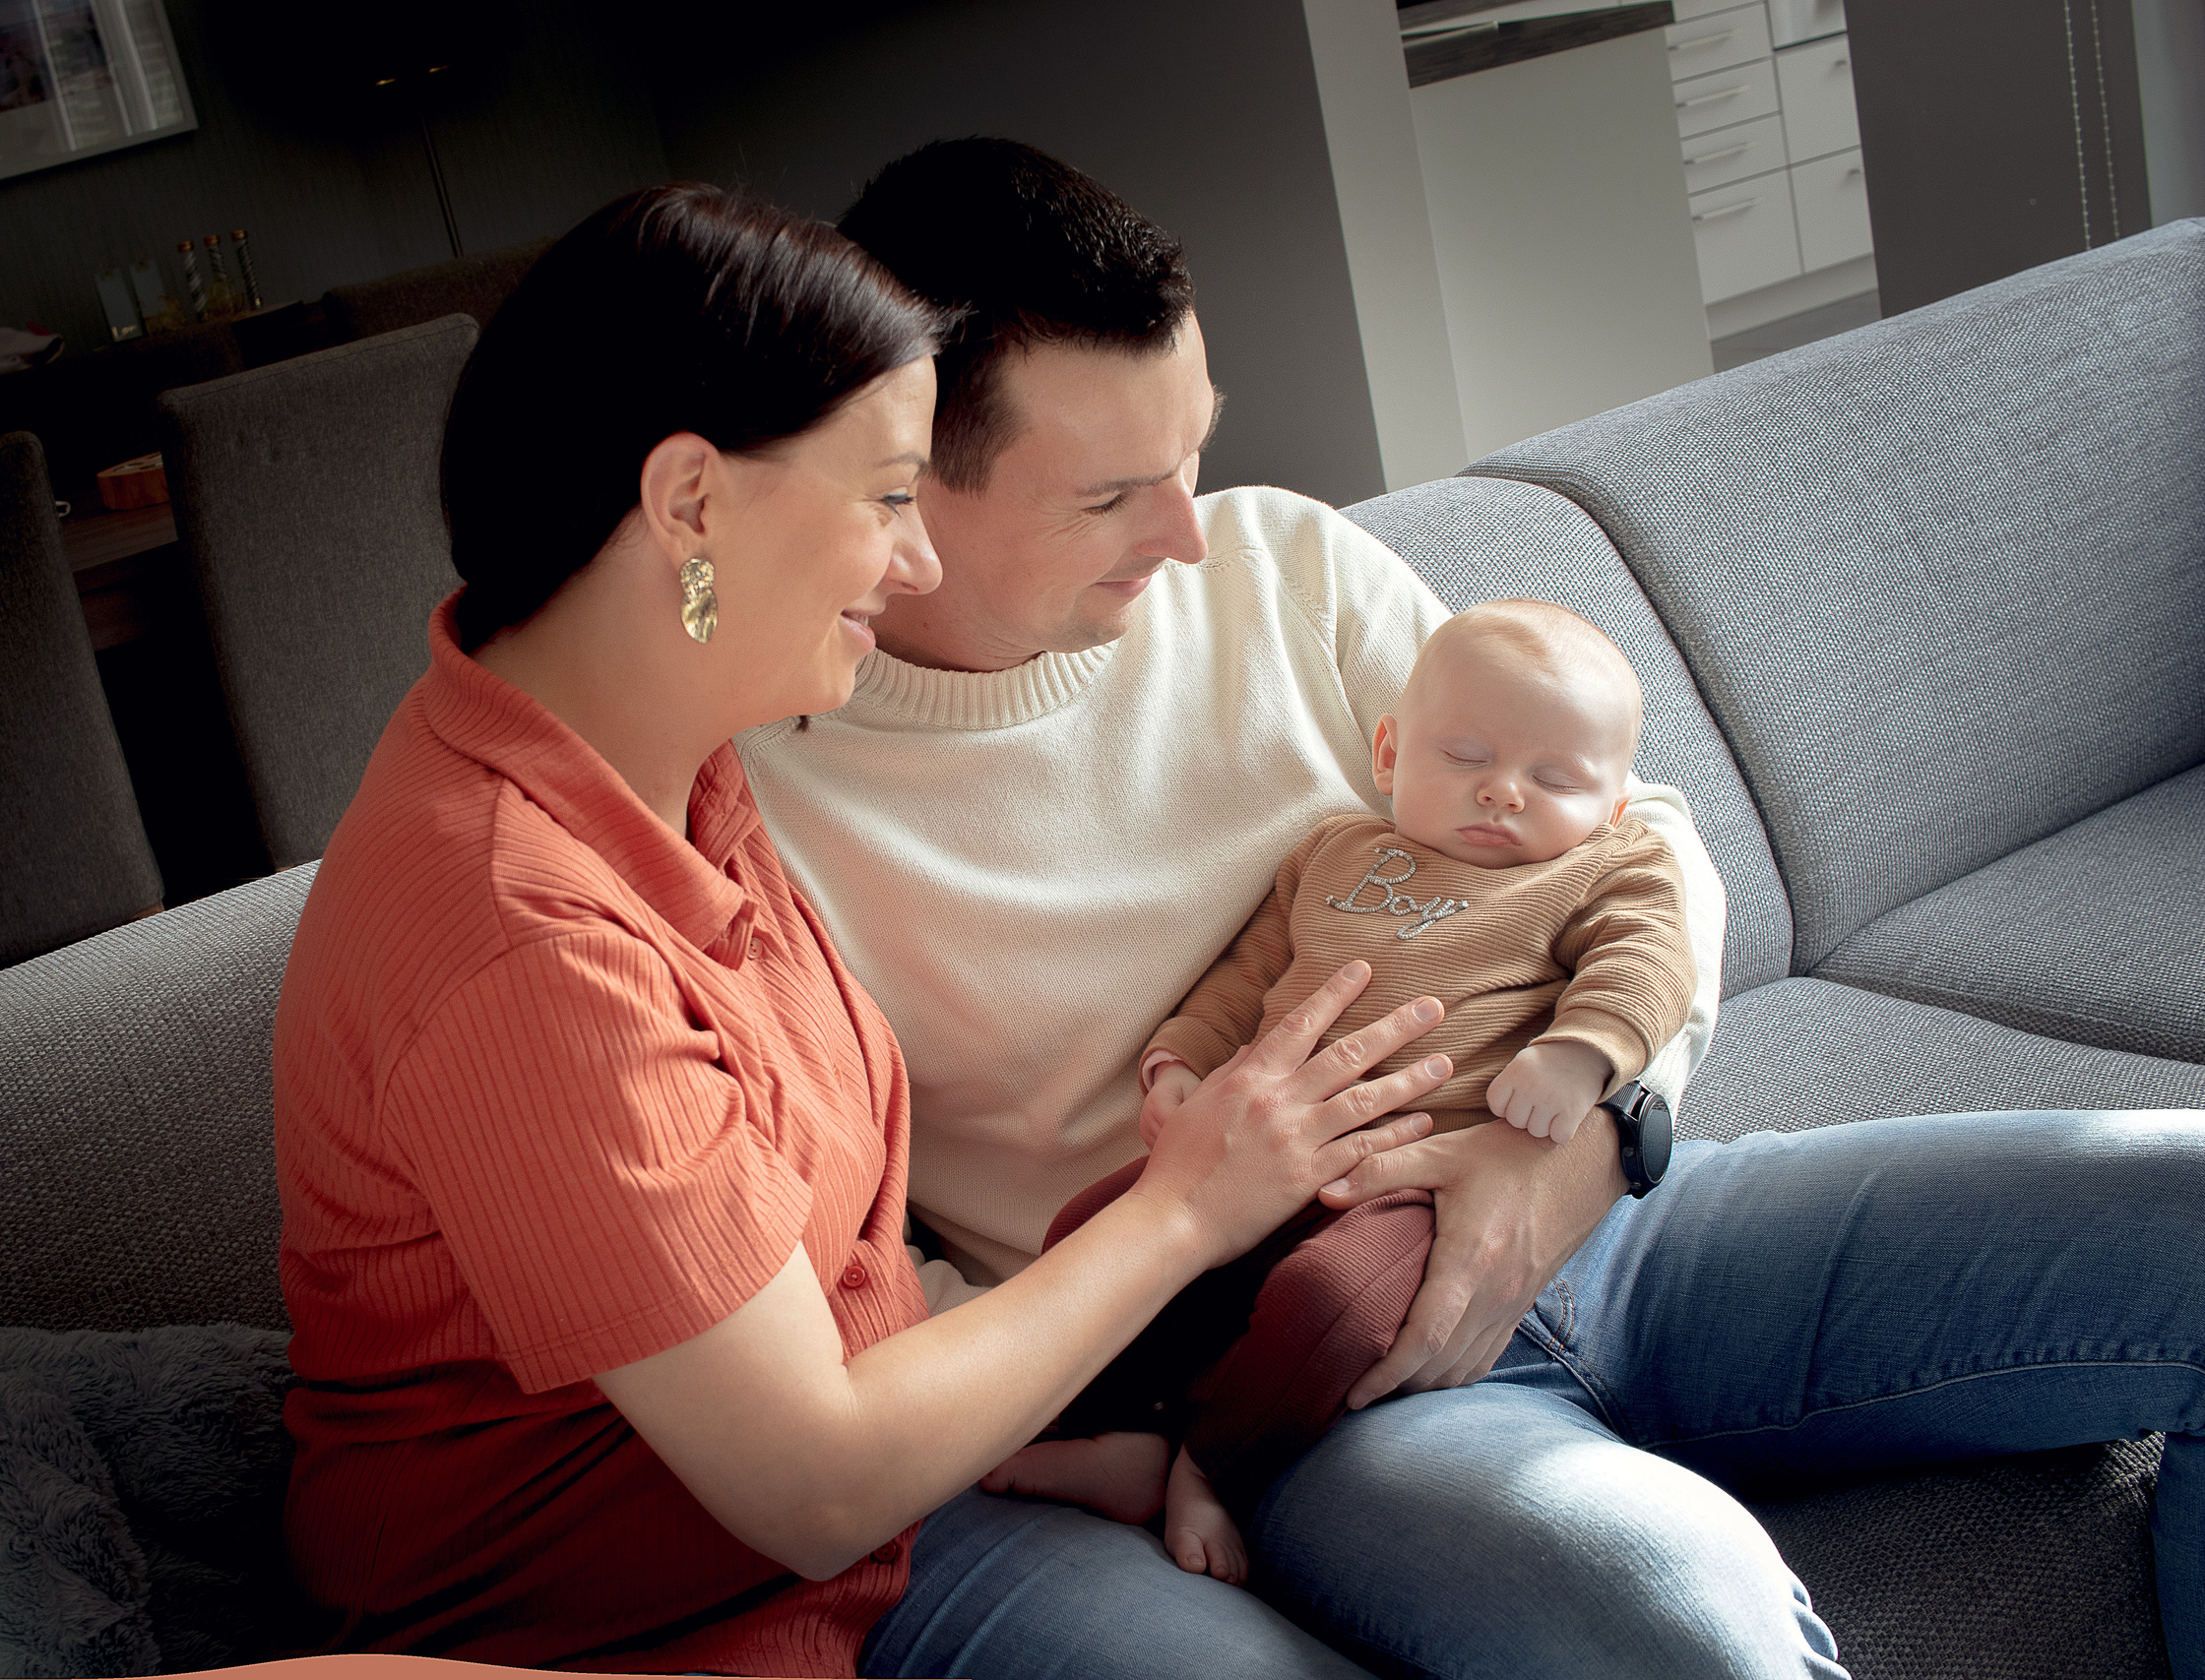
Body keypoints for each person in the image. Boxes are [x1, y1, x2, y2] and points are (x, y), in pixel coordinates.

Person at [736, 138, 2205, 1678]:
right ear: (909, 482)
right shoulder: (776, 805)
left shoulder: (1281, 562)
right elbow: (866, 1281)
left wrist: (1552, 1152)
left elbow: (1645, 851)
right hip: (1315, 1383)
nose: (1187, 533)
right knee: (1682, 1630)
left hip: (1622, 1221)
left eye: (1194, 452)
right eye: (1113, 495)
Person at [271, 181, 1461, 1678]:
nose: (915, 566)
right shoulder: (525, 933)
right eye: (890, 497)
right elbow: (810, 1481)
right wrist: (1186, 1209)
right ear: (690, 502)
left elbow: (832, 1270)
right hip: (670, 1615)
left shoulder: (667, 739)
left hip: (922, 1490)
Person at [997, 598, 1694, 1584]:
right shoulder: (1331, 856)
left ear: (1614, 805)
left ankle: (1212, 1465)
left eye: (1553, 779)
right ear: (1389, 752)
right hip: (1259, 1157)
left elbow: (1649, 962)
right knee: (1091, 1231)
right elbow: (1244, 977)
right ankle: (1121, 1435)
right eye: (1465, 757)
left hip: (1424, 1180)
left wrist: (1581, 1054)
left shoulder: (1604, 869)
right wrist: (1179, 1064)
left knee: (1325, 1305)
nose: (1501, 793)